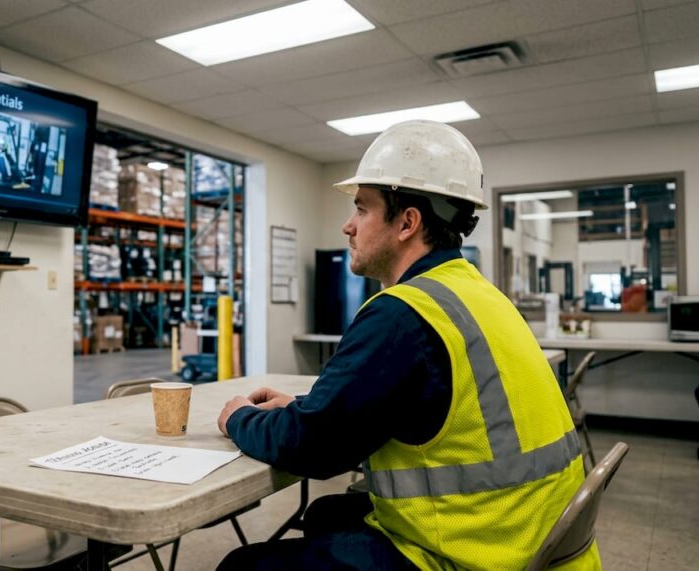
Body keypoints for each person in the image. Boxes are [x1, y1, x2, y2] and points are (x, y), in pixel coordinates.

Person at [215, 120, 600, 570]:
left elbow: (312, 449)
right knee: (326, 513)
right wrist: (303, 406)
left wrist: (237, 417)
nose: (347, 226)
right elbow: (382, 409)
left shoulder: (402, 313)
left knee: (242, 566)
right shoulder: (476, 293)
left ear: (407, 222)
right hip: (527, 537)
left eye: (361, 209)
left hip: (472, 555)